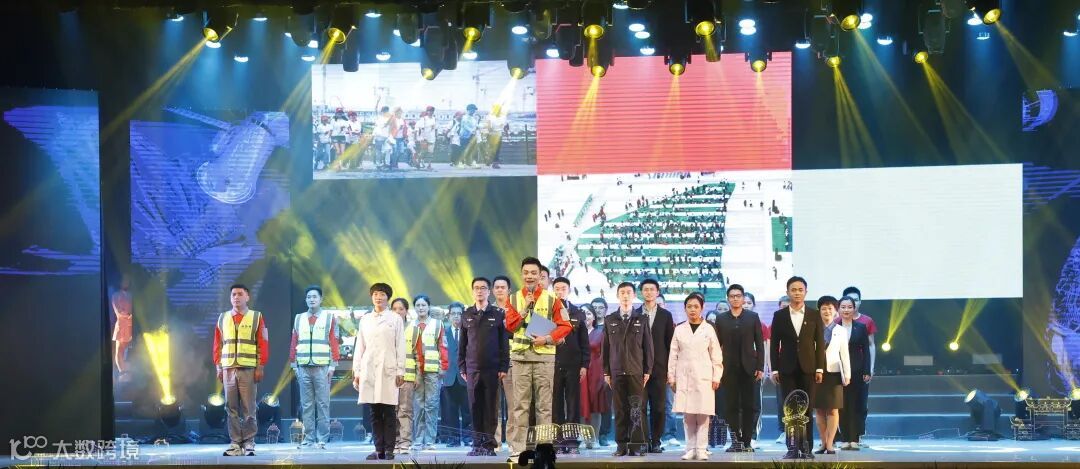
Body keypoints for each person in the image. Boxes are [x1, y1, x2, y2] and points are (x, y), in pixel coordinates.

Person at [504, 257, 572, 461]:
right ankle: (518, 449)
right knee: (520, 406)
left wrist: (547, 338)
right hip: (520, 358)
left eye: (534, 273)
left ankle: (544, 450)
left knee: (544, 407)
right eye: (526, 272)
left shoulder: (552, 299)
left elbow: (566, 325)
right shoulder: (514, 299)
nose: (530, 276)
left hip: (544, 359)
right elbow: (510, 326)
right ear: (521, 274)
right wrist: (524, 308)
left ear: (540, 275)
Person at [769, 276, 825, 459]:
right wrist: (775, 369)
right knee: (790, 409)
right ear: (787, 292)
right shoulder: (779, 315)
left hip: (809, 368)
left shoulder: (814, 314)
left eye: (800, 290)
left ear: (806, 292)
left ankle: (806, 448)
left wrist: (820, 368)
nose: (797, 293)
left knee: (807, 408)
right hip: (787, 369)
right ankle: (792, 448)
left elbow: (819, 343)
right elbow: (774, 344)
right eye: (793, 290)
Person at [213, 284, 270, 456]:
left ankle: (249, 442)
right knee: (231, 408)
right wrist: (218, 366)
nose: (236, 297)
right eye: (233, 294)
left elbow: (263, 343)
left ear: (247, 297)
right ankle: (235, 443)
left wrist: (260, 366)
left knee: (249, 408)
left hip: (248, 368)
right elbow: (217, 345)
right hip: (228, 368)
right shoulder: (223, 318)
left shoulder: (256, 317)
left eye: (240, 294)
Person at [352, 283, 406, 460]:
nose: (378, 297)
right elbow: (360, 347)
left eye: (382, 294)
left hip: (389, 369)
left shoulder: (395, 319)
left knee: (389, 411)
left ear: (388, 298)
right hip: (369, 369)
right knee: (374, 412)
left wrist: (400, 370)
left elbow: (400, 346)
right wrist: (357, 371)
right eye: (375, 294)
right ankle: (378, 449)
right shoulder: (365, 319)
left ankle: (389, 449)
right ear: (371, 297)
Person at [668, 293, 723, 461]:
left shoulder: (709, 329)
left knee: (703, 414)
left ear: (702, 308)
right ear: (685, 309)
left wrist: (717, 376)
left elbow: (716, 354)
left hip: (704, 376)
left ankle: (701, 449)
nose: (692, 310)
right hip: (684, 376)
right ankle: (690, 448)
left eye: (696, 306)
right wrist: (671, 377)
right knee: (688, 415)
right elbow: (673, 355)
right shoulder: (679, 329)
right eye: (689, 307)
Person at [460, 277, 510, 456]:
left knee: (490, 408)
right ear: (472, 291)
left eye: (483, 288)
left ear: (489, 292)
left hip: (492, 369)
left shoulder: (498, 314)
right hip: (472, 369)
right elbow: (462, 344)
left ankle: (489, 445)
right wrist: (462, 367)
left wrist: (504, 367)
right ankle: (476, 444)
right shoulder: (466, 314)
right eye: (476, 288)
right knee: (474, 407)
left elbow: (504, 344)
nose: (479, 291)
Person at [603, 282, 654, 457]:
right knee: (619, 410)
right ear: (618, 295)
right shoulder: (610, 319)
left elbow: (648, 348)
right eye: (622, 292)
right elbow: (605, 348)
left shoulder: (642, 319)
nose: (625, 295)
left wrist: (647, 370)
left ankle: (636, 445)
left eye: (629, 292)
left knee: (637, 410)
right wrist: (606, 372)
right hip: (616, 372)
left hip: (636, 372)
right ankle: (621, 445)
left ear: (634, 296)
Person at [714, 284, 765, 452]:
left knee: (749, 406)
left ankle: (747, 442)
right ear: (728, 299)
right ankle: (736, 441)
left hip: (749, 368)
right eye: (732, 296)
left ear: (743, 298)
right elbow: (716, 346)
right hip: (728, 369)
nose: (735, 299)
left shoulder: (752, 317)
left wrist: (760, 366)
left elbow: (760, 344)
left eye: (738, 296)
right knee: (731, 406)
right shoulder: (721, 319)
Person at [290, 285, 340, 449]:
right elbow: (294, 342)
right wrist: (294, 365)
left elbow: (334, 342)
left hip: (322, 367)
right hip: (303, 366)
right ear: (306, 300)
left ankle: (322, 438)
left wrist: (333, 365)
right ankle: (309, 438)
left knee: (323, 403)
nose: (311, 299)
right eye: (309, 297)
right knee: (306, 405)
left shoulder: (329, 318)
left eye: (315, 297)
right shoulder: (299, 318)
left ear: (321, 299)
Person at [835, 286, 877, 449]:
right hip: (838, 371)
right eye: (843, 307)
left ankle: (854, 439)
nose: (846, 310)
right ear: (839, 309)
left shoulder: (861, 327)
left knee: (856, 404)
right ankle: (844, 439)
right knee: (842, 405)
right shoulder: (834, 327)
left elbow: (866, 349)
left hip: (857, 370)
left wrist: (867, 370)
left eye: (849, 307)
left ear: (854, 308)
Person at [552, 277, 590, 454]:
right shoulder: (547, 311)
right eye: (557, 289)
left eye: (563, 288)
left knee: (573, 403)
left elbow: (584, 342)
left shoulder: (577, 312)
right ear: (553, 291)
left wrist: (584, 365)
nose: (560, 292)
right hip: (553, 363)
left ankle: (572, 441)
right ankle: (558, 441)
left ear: (568, 290)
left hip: (574, 365)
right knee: (556, 404)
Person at [637, 279, 675, 453]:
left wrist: (670, 370)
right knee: (640, 406)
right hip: (638, 368)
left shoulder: (666, 315)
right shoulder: (634, 314)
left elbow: (670, 344)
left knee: (659, 407)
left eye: (652, 289)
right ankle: (643, 440)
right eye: (645, 289)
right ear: (641, 293)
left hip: (660, 368)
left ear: (657, 292)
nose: (649, 292)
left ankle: (656, 441)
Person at [407, 295, 449, 450]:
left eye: (423, 305)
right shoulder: (410, 326)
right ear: (414, 308)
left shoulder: (437, 324)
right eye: (418, 305)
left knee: (432, 405)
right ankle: (418, 440)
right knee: (418, 405)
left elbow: (443, 346)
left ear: (428, 306)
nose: (421, 308)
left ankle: (430, 440)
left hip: (433, 371)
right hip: (416, 370)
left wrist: (443, 366)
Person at [813, 296, 850, 455]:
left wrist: (847, 374)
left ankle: (830, 444)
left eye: (830, 308)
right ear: (819, 311)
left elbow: (844, 354)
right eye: (823, 308)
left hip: (834, 373)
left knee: (833, 410)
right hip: (816, 373)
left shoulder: (841, 330)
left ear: (835, 311)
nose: (827, 311)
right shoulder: (813, 328)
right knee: (819, 410)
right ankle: (823, 443)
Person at [441, 303, 472, 447]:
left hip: (466, 376)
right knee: (450, 411)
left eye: (459, 313)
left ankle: (468, 437)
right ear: (448, 316)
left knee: (467, 410)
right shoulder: (443, 333)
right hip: (449, 377)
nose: (456, 316)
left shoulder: (469, 332)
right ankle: (453, 439)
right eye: (453, 313)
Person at [491, 275, 514, 450]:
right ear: (492, 290)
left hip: (512, 361)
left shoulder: (516, 310)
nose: (500, 290)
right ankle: (496, 441)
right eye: (497, 287)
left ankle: (513, 441)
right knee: (494, 404)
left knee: (514, 404)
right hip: (492, 362)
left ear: (509, 290)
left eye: (503, 287)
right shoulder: (488, 311)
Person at [390, 298, 415, 454]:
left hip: (407, 376)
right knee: (392, 411)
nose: (398, 312)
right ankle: (395, 441)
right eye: (394, 309)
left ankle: (405, 442)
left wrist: (417, 375)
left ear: (406, 311)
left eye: (401, 309)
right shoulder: (386, 329)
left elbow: (419, 354)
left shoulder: (413, 329)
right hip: (389, 377)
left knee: (405, 410)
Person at [587, 297, 613, 446]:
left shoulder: (609, 326)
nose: (598, 310)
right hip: (589, 371)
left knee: (605, 403)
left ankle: (603, 434)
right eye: (594, 307)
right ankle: (590, 435)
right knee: (590, 403)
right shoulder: (588, 327)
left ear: (606, 310)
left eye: (601, 307)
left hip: (605, 369)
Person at [111, 274, 133, 378]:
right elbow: (119, 312)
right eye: (124, 281)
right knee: (119, 350)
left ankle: (128, 372)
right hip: (122, 326)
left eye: (127, 281)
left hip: (131, 327)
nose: (126, 283)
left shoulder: (131, 295)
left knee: (129, 350)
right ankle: (122, 372)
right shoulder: (116, 295)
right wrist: (129, 315)